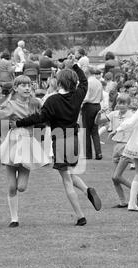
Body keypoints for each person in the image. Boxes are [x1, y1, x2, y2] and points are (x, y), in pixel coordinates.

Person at [13, 59, 102, 226]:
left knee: (66, 180)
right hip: (75, 139)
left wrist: (19, 123)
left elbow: (39, 118)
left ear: (59, 82)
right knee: (70, 173)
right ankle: (87, 190)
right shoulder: (78, 95)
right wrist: (75, 65)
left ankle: (80, 216)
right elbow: (84, 81)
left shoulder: (52, 100)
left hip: (60, 140)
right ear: (74, 82)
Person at [0, 75, 50, 228]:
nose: (27, 88)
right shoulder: (10, 105)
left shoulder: (36, 103)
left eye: (29, 85)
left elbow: (46, 117)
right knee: (11, 187)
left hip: (28, 143)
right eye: (23, 85)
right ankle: (14, 218)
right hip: (12, 143)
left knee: (21, 187)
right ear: (16, 88)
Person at [95, 94, 134, 208]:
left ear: (128, 104)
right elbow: (97, 122)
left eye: (124, 103)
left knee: (115, 176)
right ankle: (123, 202)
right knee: (115, 178)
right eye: (119, 103)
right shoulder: (113, 114)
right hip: (116, 147)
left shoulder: (132, 116)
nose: (121, 105)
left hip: (126, 147)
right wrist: (98, 114)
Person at [82, 67, 103, 160]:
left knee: (86, 131)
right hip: (97, 105)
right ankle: (98, 153)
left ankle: (88, 154)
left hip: (88, 106)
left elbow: (86, 97)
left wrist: (80, 102)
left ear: (87, 73)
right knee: (95, 131)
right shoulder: (99, 82)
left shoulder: (88, 82)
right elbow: (101, 97)